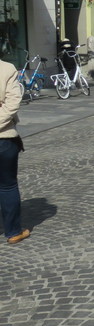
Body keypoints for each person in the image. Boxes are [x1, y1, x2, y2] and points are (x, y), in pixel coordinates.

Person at [0, 58, 27, 244]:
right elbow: (12, 104)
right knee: (8, 186)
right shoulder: (7, 68)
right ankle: (13, 232)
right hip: (4, 136)